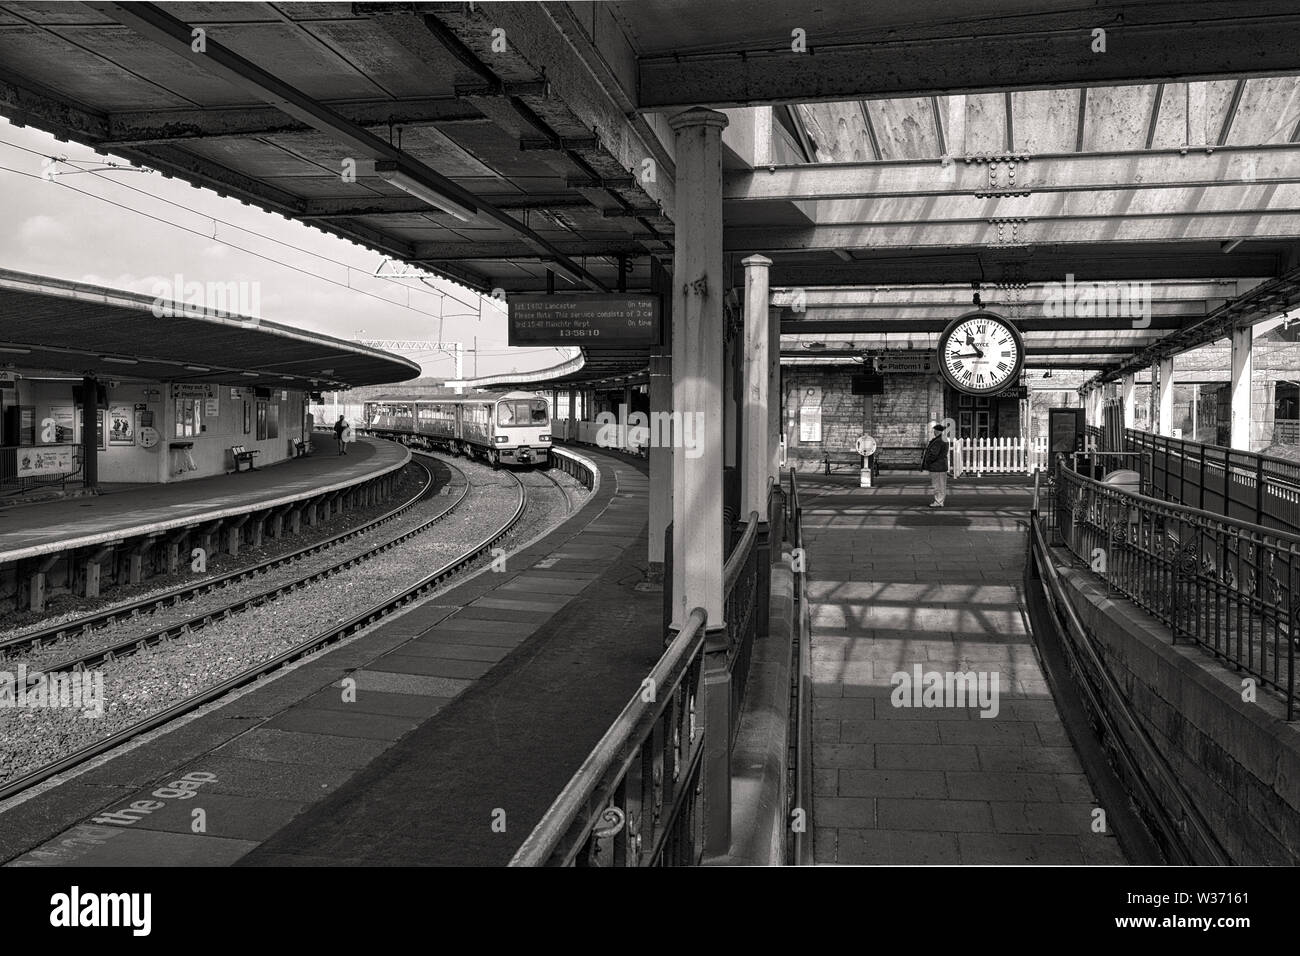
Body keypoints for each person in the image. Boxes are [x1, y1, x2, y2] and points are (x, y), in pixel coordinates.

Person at [921, 421, 950, 508]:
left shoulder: (938, 441)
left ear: (937, 431)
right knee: (941, 485)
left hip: (937, 466)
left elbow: (933, 454)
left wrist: (928, 462)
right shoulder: (943, 439)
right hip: (941, 466)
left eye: (934, 430)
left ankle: (938, 501)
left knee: (937, 485)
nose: (933, 432)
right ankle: (940, 500)